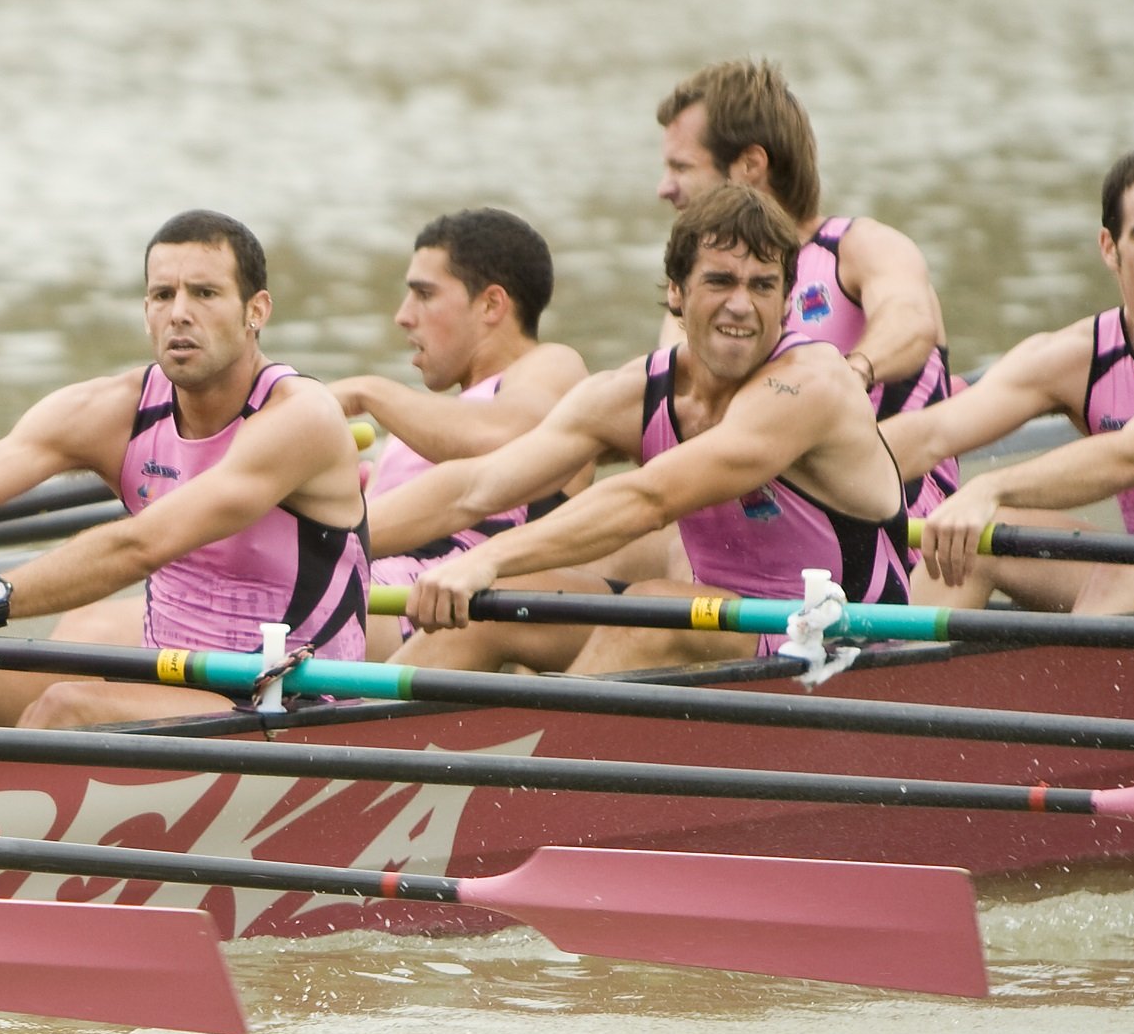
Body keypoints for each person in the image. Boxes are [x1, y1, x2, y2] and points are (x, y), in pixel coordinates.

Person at [0, 211, 368, 730]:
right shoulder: (114, 410)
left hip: (291, 698)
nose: (179, 312)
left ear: (257, 310)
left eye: (205, 293)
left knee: (69, 709)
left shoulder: (300, 417)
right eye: (162, 294)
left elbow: (139, 546)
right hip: (175, 677)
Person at [384, 185, 911, 674]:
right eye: (720, 281)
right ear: (677, 294)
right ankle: (353, 758)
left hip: (848, 650)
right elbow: (476, 487)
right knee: (494, 607)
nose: (741, 305)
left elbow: (649, 498)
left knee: (651, 608)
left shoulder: (810, 385)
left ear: (788, 302)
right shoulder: (637, 391)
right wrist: (339, 533)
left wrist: (485, 556)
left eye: (762, 286)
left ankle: (538, 772)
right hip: (730, 631)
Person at [656, 57, 960, 514]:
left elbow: (912, 323)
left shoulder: (862, 247)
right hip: (760, 518)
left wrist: (849, 374)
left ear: (750, 166)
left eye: (681, 167)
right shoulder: (701, 293)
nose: (665, 188)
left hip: (894, 521)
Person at [880, 143, 1134, 613]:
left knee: (1120, 584)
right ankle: (884, 677)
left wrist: (988, 487)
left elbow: (1129, 454)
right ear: (1110, 248)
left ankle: (1076, 677)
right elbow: (932, 433)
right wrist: (786, 479)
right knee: (974, 543)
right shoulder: (1078, 355)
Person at [333, 209, 588, 659]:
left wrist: (367, 391)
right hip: (373, 580)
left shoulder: (549, 365)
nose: (403, 317)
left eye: (424, 295)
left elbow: (508, 434)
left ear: (491, 304)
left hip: (442, 599)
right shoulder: (436, 416)